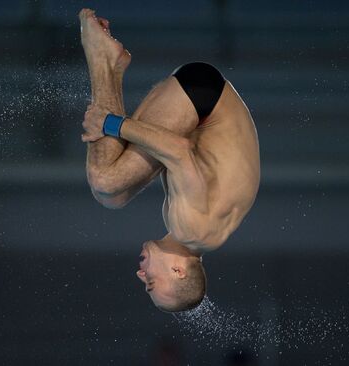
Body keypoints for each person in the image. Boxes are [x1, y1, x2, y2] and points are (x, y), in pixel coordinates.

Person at [79, 9, 260, 312]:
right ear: (178, 271)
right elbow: (177, 149)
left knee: (113, 195)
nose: (141, 274)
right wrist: (108, 124)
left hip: (204, 103)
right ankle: (102, 58)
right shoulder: (192, 228)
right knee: (105, 180)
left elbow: (178, 153)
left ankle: (114, 66)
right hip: (203, 97)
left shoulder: (202, 235)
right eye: (151, 282)